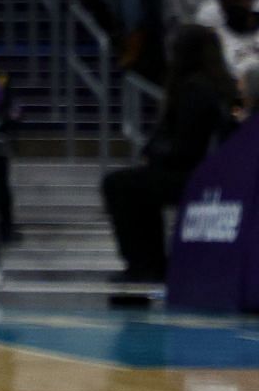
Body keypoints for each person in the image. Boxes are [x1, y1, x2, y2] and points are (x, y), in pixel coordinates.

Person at [102, 25, 238, 282]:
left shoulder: (194, 89)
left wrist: (154, 155)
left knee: (118, 185)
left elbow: (185, 149)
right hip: (211, 174)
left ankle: (144, 263)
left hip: (195, 176)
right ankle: (151, 262)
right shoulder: (220, 86)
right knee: (139, 185)